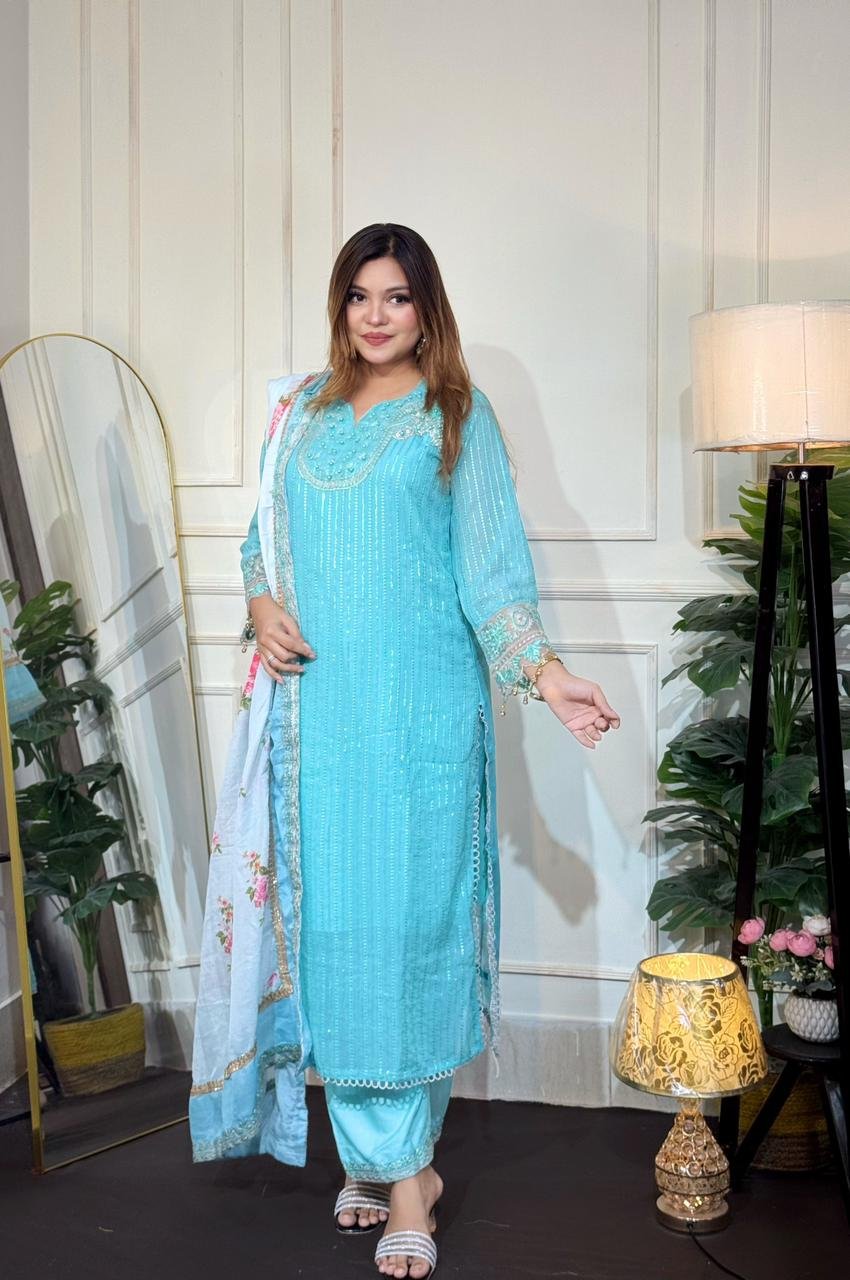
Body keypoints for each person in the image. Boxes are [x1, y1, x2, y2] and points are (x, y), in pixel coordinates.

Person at [189, 223, 620, 1279]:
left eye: (396, 297)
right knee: (335, 937)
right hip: (318, 725)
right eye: (358, 296)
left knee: (406, 940)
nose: (375, 316)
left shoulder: (455, 414)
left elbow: (493, 574)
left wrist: (546, 675)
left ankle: (408, 1178)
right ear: (340, 306)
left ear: (427, 309)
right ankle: (376, 1156)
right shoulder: (301, 414)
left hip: (421, 725)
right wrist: (261, 605)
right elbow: (260, 542)